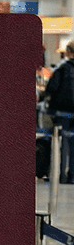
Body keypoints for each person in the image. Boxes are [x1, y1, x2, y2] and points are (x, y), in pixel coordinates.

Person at [43, 41, 74, 183]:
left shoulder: (62, 68)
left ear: (68, 52)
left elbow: (51, 88)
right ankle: (72, 176)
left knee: (61, 144)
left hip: (62, 113)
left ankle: (60, 175)